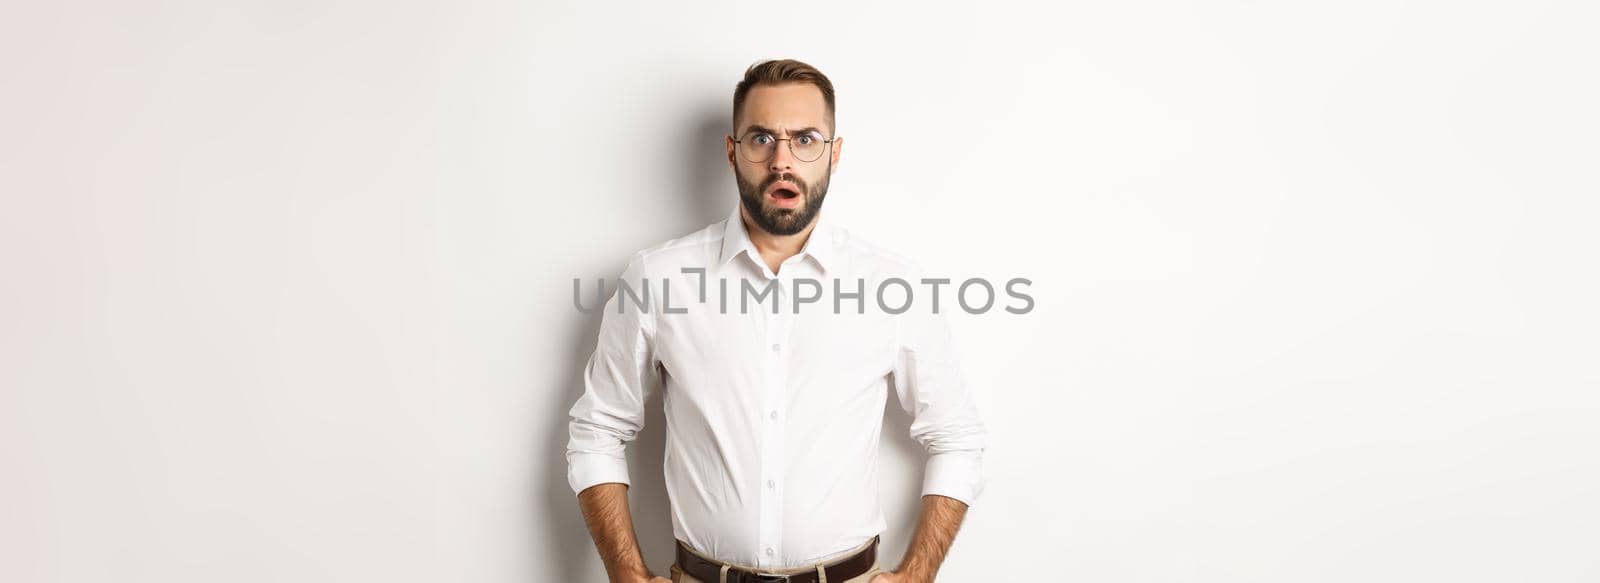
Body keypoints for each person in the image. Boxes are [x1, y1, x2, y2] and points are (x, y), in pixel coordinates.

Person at [566, 58, 987, 583]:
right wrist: (624, 572)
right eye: (762, 139)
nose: (782, 161)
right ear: (731, 151)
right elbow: (597, 431)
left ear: (834, 155)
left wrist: (917, 573)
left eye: (805, 139)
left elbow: (957, 437)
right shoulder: (656, 278)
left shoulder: (892, 286)